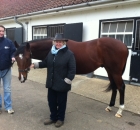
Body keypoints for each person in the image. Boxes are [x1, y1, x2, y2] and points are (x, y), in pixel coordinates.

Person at [30, 33, 76, 127]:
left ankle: (60, 119)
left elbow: (72, 70)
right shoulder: (51, 52)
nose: (58, 43)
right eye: (56, 42)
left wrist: (67, 81)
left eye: (60, 42)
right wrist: (35, 65)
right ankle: (53, 117)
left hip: (62, 84)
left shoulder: (69, 54)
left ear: (64, 43)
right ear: (54, 42)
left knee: (61, 102)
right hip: (51, 83)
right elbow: (46, 62)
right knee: (51, 101)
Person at [0, 25, 16, 114]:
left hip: (7, 70)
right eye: (0, 31)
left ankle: (8, 107)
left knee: (7, 89)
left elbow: (13, 51)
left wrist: (13, 57)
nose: (1, 33)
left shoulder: (9, 42)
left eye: (3, 31)